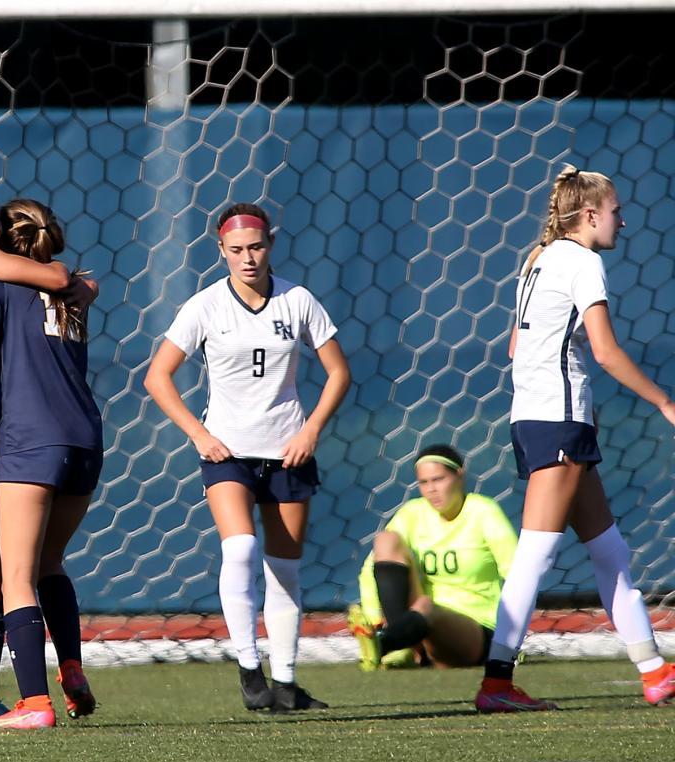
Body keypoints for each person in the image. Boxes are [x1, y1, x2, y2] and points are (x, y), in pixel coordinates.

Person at [475, 165, 675, 713]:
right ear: (589, 215)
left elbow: (517, 346)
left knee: (609, 549)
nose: (622, 220)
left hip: (544, 417)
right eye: (615, 211)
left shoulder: (537, 260)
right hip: (558, 419)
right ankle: (496, 683)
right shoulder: (582, 261)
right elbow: (606, 351)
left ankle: (656, 671)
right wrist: (664, 402)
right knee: (534, 557)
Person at [144, 203, 351, 712]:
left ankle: (285, 683)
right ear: (221, 251)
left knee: (284, 569)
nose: (248, 257)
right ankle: (248, 670)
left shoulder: (297, 300)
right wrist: (198, 433)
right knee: (239, 550)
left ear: (270, 245)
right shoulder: (205, 306)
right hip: (228, 452)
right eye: (236, 250)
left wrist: (311, 431)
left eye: (255, 246)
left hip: (287, 452)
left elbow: (339, 373)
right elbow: (157, 376)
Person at [0, 199, 102, 730]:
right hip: (86, 441)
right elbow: (80, 286)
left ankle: (32, 704)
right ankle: (70, 669)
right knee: (50, 563)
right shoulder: (73, 294)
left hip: (32, 442)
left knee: (16, 577)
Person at [348, 445, 517, 671]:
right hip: (418, 627)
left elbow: (518, 576)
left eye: (438, 479)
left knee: (428, 606)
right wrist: (373, 618)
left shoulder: (483, 511)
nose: (431, 490)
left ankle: (384, 644)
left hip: (474, 632)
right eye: (424, 483)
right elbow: (369, 570)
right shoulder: (412, 513)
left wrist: (511, 641)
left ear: (459, 475)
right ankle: (397, 644)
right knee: (386, 540)